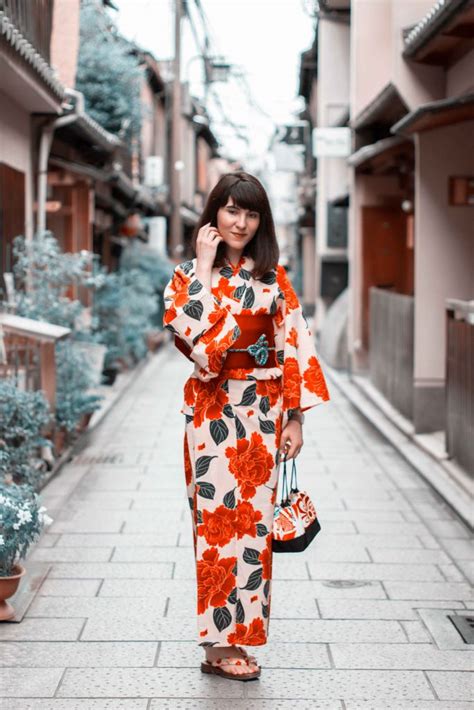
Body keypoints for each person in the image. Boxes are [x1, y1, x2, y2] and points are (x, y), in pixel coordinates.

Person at [163, 171, 329, 681]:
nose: (240, 221)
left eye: (251, 213)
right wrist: (208, 270)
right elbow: (203, 354)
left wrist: (295, 417)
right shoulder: (187, 275)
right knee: (215, 528)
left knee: (253, 530)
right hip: (212, 411)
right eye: (232, 210)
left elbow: (294, 345)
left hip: (262, 411)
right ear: (214, 214)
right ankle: (217, 647)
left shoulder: (273, 278)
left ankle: (243, 639)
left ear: (262, 221)